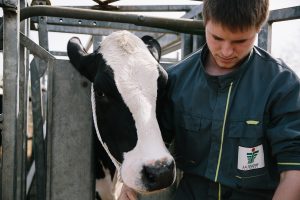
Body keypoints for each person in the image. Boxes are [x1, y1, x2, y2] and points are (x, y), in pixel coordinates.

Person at [119, 0, 300, 199]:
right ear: (205, 22)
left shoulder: (282, 85)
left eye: (240, 41)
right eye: (217, 37)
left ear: (259, 28)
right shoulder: (177, 80)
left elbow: (294, 171)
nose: (226, 51)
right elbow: (151, 144)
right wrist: (130, 186)